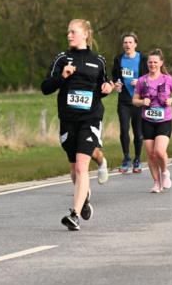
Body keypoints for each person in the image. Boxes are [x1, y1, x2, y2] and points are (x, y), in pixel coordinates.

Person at [42, 19, 115, 230]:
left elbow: (104, 85)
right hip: (68, 120)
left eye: (73, 32)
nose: (69, 35)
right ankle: (85, 197)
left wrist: (107, 88)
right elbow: (46, 87)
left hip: (90, 119)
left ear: (85, 34)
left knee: (83, 166)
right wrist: (62, 78)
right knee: (75, 170)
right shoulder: (61, 59)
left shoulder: (98, 60)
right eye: (67, 32)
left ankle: (74, 215)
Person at [134, 49, 172, 193]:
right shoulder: (142, 80)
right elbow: (134, 100)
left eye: (155, 62)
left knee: (159, 152)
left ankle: (165, 172)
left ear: (161, 63)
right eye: (150, 62)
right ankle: (156, 183)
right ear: (147, 63)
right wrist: (143, 101)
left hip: (164, 120)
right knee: (150, 155)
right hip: (147, 120)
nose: (152, 65)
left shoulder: (167, 79)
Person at [112, 32, 145, 173]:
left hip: (138, 100)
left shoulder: (143, 59)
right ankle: (126, 158)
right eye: (125, 42)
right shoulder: (118, 59)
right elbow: (115, 76)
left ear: (135, 44)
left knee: (138, 132)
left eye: (130, 42)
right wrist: (116, 84)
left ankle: (137, 159)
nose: (127, 45)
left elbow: (149, 77)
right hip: (124, 100)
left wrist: (140, 82)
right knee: (124, 129)